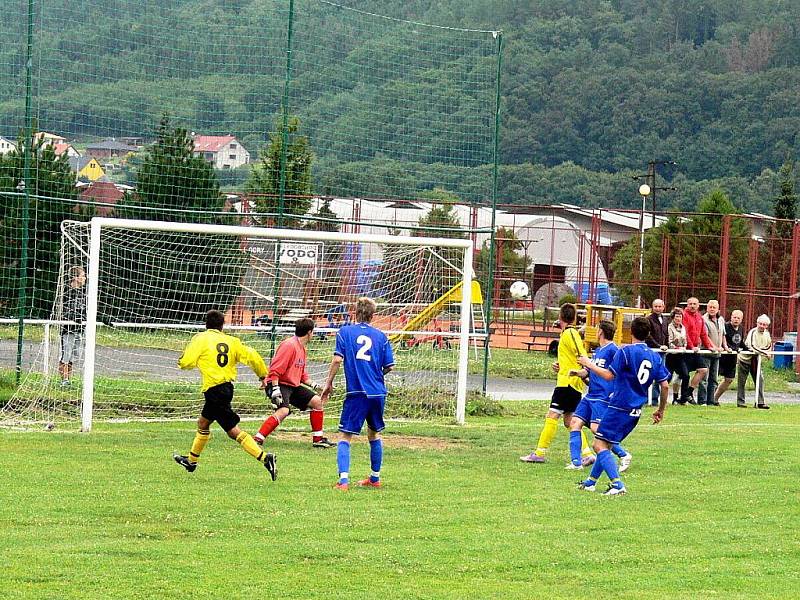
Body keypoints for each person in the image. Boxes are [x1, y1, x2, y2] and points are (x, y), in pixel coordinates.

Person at [173, 309, 276, 479]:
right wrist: (263, 375)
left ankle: (265, 458)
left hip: (215, 391)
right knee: (203, 423)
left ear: (206, 324)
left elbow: (187, 361)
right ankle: (191, 461)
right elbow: (252, 356)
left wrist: (182, 362)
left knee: (232, 431)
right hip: (226, 389)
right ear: (222, 325)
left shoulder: (201, 338)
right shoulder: (232, 341)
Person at [577, 317, 670, 495]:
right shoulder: (655, 356)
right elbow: (665, 385)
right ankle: (590, 482)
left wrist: (589, 364)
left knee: (599, 446)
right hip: (635, 411)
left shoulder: (625, 352)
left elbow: (608, 375)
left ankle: (617, 485)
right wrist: (660, 410)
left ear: (630, 332)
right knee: (607, 444)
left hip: (619, 406)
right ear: (648, 333)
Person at [320, 297, 395, 490]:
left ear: (355, 312)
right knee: (374, 433)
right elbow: (389, 366)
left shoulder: (345, 332)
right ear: (373, 315)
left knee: (345, 436)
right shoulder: (381, 336)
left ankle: (343, 481)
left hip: (357, 392)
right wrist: (374, 374)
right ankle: (375, 478)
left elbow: (337, 360)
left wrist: (328, 383)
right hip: (378, 393)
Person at [520, 303, 594, 464]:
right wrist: (560, 365)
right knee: (570, 421)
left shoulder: (570, 333)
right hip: (570, 382)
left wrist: (585, 372)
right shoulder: (567, 334)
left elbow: (582, 356)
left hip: (567, 384)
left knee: (552, 415)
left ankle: (539, 452)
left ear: (560, 317)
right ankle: (587, 453)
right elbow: (572, 357)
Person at [254, 317, 336, 448]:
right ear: (309, 332)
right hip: (279, 384)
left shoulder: (302, 349)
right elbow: (275, 369)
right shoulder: (289, 345)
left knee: (317, 402)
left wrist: (317, 386)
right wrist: (275, 389)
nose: (313, 335)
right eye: (313, 332)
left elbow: (302, 375)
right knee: (284, 411)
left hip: (292, 385)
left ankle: (318, 439)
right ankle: (258, 438)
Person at [567, 320, 632, 472]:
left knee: (597, 429)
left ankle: (624, 455)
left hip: (603, 397)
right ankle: (576, 463)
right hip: (591, 395)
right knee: (574, 423)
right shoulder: (598, 351)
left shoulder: (613, 351)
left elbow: (616, 372)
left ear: (600, 332)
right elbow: (590, 371)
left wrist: (588, 363)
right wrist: (578, 373)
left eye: (597, 329)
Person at [681, 297, 720, 404]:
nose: (692, 306)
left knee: (703, 370)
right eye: (690, 304)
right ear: (687, 305)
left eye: (695, 304)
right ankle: (676, 397)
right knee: (680, 376)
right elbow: (685, 333)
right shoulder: (684, 316)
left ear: (698, 306)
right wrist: (691, 346)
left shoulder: (699, 317)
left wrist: (709, 346)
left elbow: (703, 334)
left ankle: (688, 393)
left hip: (695, 351)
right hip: (684, 350)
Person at [58, 266, 87, 388]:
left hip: (80, 329)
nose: (85, 278)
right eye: (83, 275)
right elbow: (63, 311)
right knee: (66, 355)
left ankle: (68, 378)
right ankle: (64, 380)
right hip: (68, 329)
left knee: (74, 356)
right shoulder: (66, 292)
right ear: (75, 277)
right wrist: (73, 318)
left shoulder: (83, 293)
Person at [737, 314, 772, 409]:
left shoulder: (767, 334)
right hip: (745, 359)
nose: (762, 326)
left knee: (760, 380)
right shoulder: (752, 332)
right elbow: (752, 346)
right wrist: (764, 352)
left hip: (756, 360)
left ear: (767, 326)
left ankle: (760, 402)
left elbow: (768, 346)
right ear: (757, 323)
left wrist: (764, 352)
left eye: (764, 324)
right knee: (742, 381)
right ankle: (740, 402)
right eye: (760, 323)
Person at [698, 299, 727, 406]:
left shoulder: (721, 320)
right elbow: (704, 336)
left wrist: (725, 347)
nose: (712, 309)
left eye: (714, 307)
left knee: (714, 379)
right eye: (710, 307)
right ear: (707, 308)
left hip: (717, 354)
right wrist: (713, 347)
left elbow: (723, 335)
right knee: (704, 379)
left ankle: (711, 401)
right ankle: (702, 401)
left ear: (718, 308)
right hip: (706, 353)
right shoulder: (703, 320)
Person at [714, 309, 745, 404]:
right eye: (734, 317)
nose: (736, 319)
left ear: (741, 319)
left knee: (729, 379)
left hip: (732, 358)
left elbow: (741, 343)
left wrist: (748, 349)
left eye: (738, 318)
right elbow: (723, 340)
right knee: (713, 378)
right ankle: (709, 399)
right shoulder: (726, 326)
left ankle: (715, 398)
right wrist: (730, 348)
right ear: (731, 317)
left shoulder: (741, 328)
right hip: (722, 357)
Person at [666, 307, 689, 405]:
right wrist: (675, 347)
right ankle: (663, 398)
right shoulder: (669, 327)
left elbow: (685, 340)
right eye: (676, 317)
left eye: (680, 317)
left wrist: (684, 346)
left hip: (680, 355)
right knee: (668, 377)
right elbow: (670, 341)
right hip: (671, 355)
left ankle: (683, 398)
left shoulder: (683, 328)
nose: (678, 319)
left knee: (686, 375)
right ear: (673, 317)